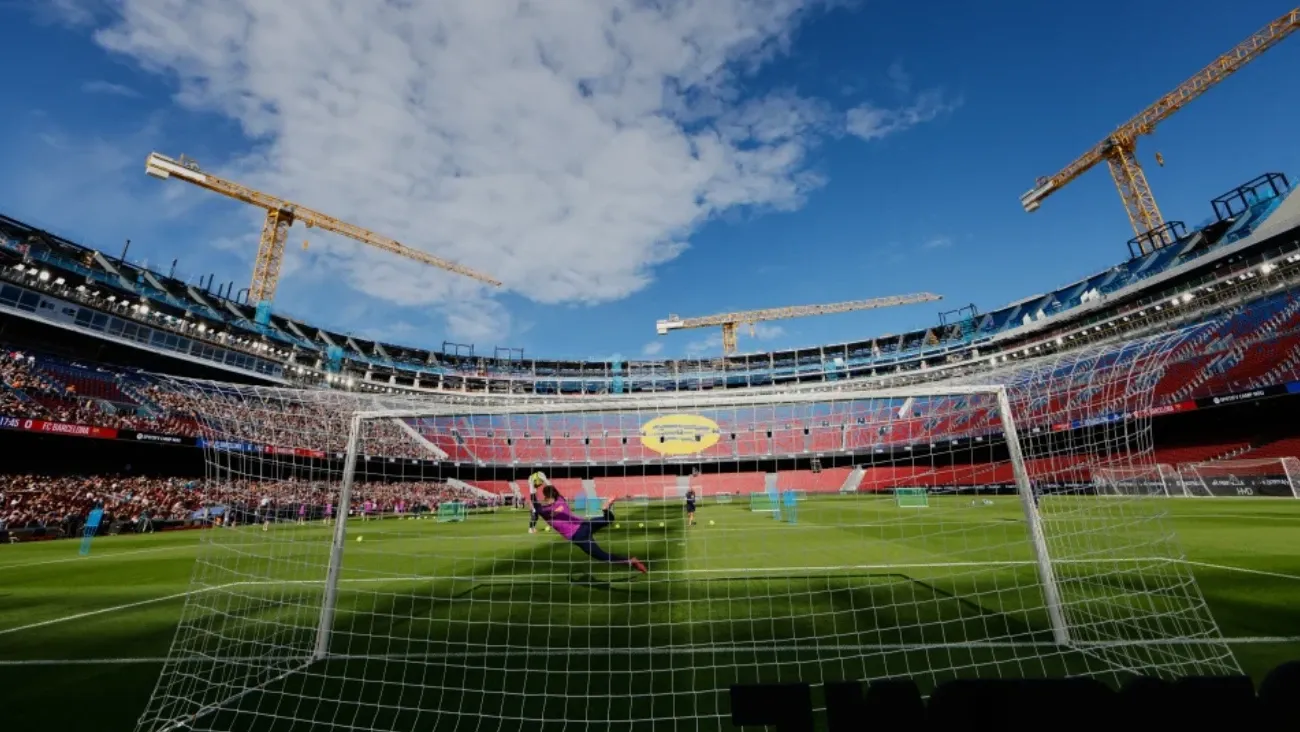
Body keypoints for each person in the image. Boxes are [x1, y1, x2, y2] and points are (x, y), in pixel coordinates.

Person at [528, 472, 646, 574]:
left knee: (602, 556)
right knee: (608, 519)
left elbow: (534, 500)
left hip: (579, 536)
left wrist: (530, 485)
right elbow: (552, 490)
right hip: (585, 525)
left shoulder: (544, 510)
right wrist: (544, 478)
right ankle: (605, 509)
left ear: (545, 497)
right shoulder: (560, 500)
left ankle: (631, 562)